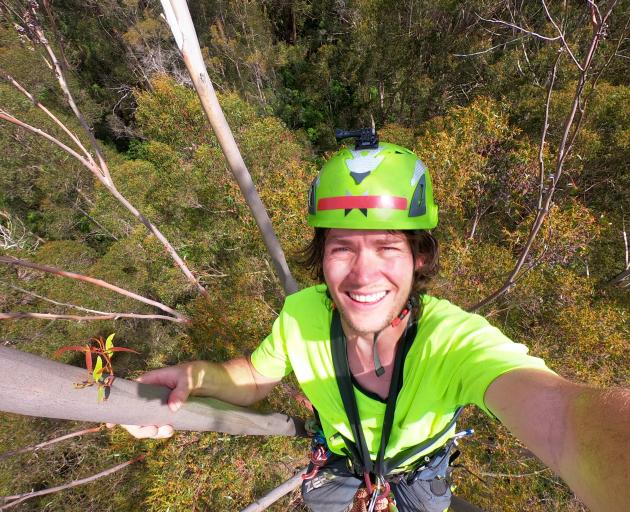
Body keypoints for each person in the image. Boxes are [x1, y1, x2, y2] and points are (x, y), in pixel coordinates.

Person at [116, 138, 629, 512]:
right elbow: (253, 377)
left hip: (419, 479)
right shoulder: (302, 317)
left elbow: (563, 420)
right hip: (338, 470)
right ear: (322, 258)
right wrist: (197, 380)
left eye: (387, 247)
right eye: (343, 248)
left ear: (419, 259)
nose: (363, 274)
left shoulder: (453, 341)